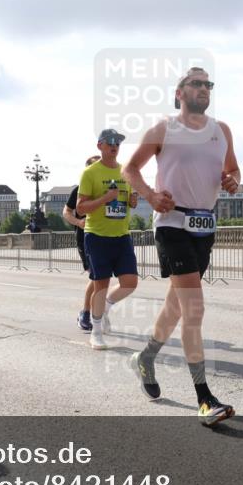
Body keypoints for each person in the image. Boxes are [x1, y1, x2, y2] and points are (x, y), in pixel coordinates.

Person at [122, 67, 241, 426]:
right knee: (195, 308)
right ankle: (205, 399)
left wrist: (232, 181)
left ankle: (145, 358)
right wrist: (151, 196)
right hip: (172, 224)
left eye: (208, 84)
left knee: (176, 307)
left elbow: (234, 170)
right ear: (179, 93)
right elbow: (131, 169)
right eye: (196, 83)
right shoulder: (163, 129)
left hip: (204, 226)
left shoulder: (222, 131)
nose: (204, 89)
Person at [77, 129, 140, 350]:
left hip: (121, 235)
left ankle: (105, 308)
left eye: (118, 143)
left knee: (130, 282)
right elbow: (80, 207)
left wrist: (133, 200)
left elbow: (129, 200)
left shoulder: (126, 171)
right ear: (100, 146)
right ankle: (95, 333)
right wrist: (105, 198)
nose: (114, 146)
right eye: (110, 142)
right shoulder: (90, 173)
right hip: (97, 235)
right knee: (100, 285)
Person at [64, 155, 101, 332]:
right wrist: (78, 222)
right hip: (86, 238)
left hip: (106, 236)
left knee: (103, 277)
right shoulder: (79, 190)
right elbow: (66, 212)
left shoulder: (106, 188)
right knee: (96, 276)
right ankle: (86, 313)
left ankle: (98, 313)